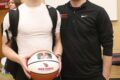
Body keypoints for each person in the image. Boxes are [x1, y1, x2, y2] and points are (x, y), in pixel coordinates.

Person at [2, 0, 62, 80]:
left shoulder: (54, 13)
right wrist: (20, 59)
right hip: (25, 71)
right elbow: (5, 47)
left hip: (50, 70)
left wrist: (58, 56)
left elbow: (58, 41)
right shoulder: (12, 15)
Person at [57, 0, 113, 80]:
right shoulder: (59, 11)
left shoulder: (98, 12)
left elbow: (108, 45)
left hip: (93, 75)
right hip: (65, 75)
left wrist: (105, 76)